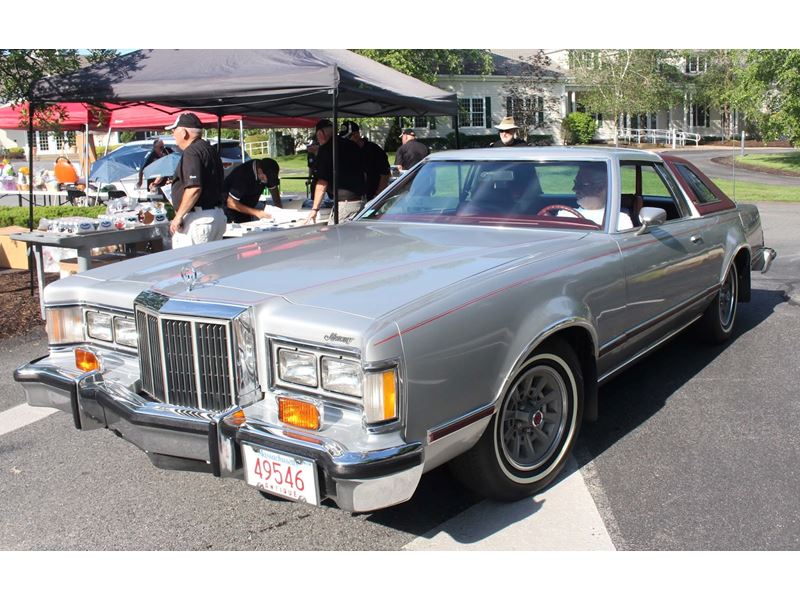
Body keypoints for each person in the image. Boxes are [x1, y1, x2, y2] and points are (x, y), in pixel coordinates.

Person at [165, 112, 227, 247]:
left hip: (199, 219)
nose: (173, 135)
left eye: (174, 130)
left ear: (183, 132)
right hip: (214, 216)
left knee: (189, 266)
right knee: (209, 266)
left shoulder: (191, 151)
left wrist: (178, 216)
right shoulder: (208, 149)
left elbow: (194, 188)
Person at [305, 118, 366, 225]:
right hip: (360, 200)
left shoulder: (326, 150)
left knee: (333, 238)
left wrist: (314, 209)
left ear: (320, 134)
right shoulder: (352, 145)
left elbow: (322, 182)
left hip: (345, 203)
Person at [558, 164, 633, 229]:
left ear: (601, 188)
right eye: (576, 183)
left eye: (583, 184)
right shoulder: (564, 214)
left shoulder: (620, 220)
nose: (574, 189)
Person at [339, 120, 390, 200]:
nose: (346, 141)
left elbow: (385, 174)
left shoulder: (373, 150)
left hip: (373, 196)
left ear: (357, 135)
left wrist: (378, 195)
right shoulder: (347, 151)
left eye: (348, 137)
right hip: (354, 198)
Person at [224, 158, 283, 223]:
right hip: (229, 211)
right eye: (265, 179)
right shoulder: (242, 175)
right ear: (260, 171)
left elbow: (274, 190)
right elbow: (230, 203)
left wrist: (279, 211)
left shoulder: (267, 172)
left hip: (248, 208)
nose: (267, 182)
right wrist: (257, 212)